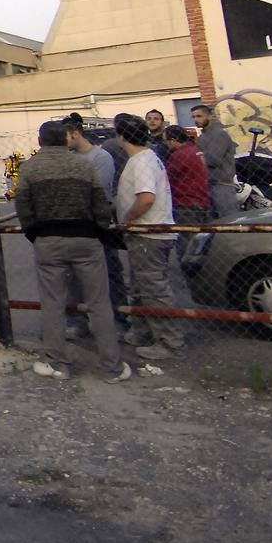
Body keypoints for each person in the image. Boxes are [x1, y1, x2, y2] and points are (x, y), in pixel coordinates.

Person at [14, 121, 131, 383]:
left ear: (40, 140)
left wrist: (33, 232)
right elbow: (101, 204)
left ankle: (57, 364)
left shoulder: (30, 167)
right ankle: (112, 366)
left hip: (48, 240)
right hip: (86, 240)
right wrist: (99, 232)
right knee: (99, 304)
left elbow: (23, 205)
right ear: (66, 140)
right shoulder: (84, 165)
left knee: (53, 303)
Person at [115, 115, 186, 362]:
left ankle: (169, 341)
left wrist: (128, 219)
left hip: (149, 233)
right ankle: (144, 331)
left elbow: (146, 198)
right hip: (149, 232)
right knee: (141, 286)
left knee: (154, 288)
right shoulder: (147, 157)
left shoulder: (141, 162)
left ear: (121, 136)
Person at [63, 114, 126, 337]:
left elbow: (98, 192)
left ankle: (117, 319)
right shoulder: (68, 159)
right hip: (75, 226)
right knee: (73, 276)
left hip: (98, 224)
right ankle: (78, 321)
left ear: (75, 133)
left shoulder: (101, 157)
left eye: (65, 137)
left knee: (109, 273)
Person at [163, 125, 211, 260]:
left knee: (187, 245)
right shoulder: (195, 150)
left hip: (185, 203)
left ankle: (189, 272)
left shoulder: (178, 155)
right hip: (202, 200)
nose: (165, 144)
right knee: (201, 241)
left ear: (173, 140)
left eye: (166, 141)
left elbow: (168, 178)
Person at [192, 104, 237, 219]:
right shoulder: (202, 137)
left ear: (211, 116)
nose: (196, 120)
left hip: (222, 185)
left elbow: (213, 159)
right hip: (208, 185)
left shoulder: (219, 134)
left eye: (199, 116)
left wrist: (199, 157)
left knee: (228, 221)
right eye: (194, 117)